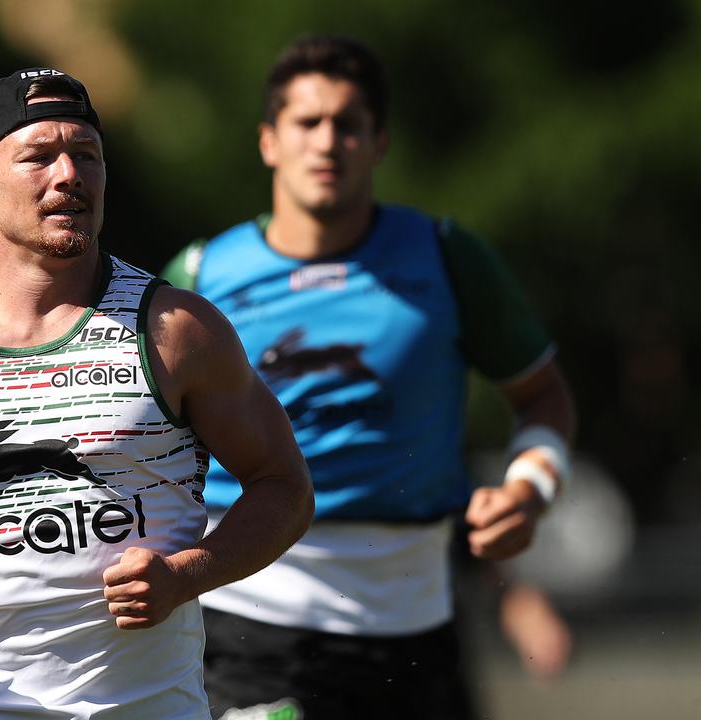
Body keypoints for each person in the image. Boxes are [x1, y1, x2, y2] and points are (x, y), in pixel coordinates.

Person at [0, 67, 315, 719]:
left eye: (86, 155)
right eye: (39, 156)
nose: (68, 175)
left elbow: (285, 487)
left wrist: (188, 573)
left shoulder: (175, 333)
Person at [160, 36, 577, 720]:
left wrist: (529, 492)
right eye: (307, 123)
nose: (327, 143)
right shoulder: (200, 278)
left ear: (378, 142)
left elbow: (544, 396)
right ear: (268, 141)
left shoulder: (447, 259)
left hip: (418, 629)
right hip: (246, 623)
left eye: (348, 125)